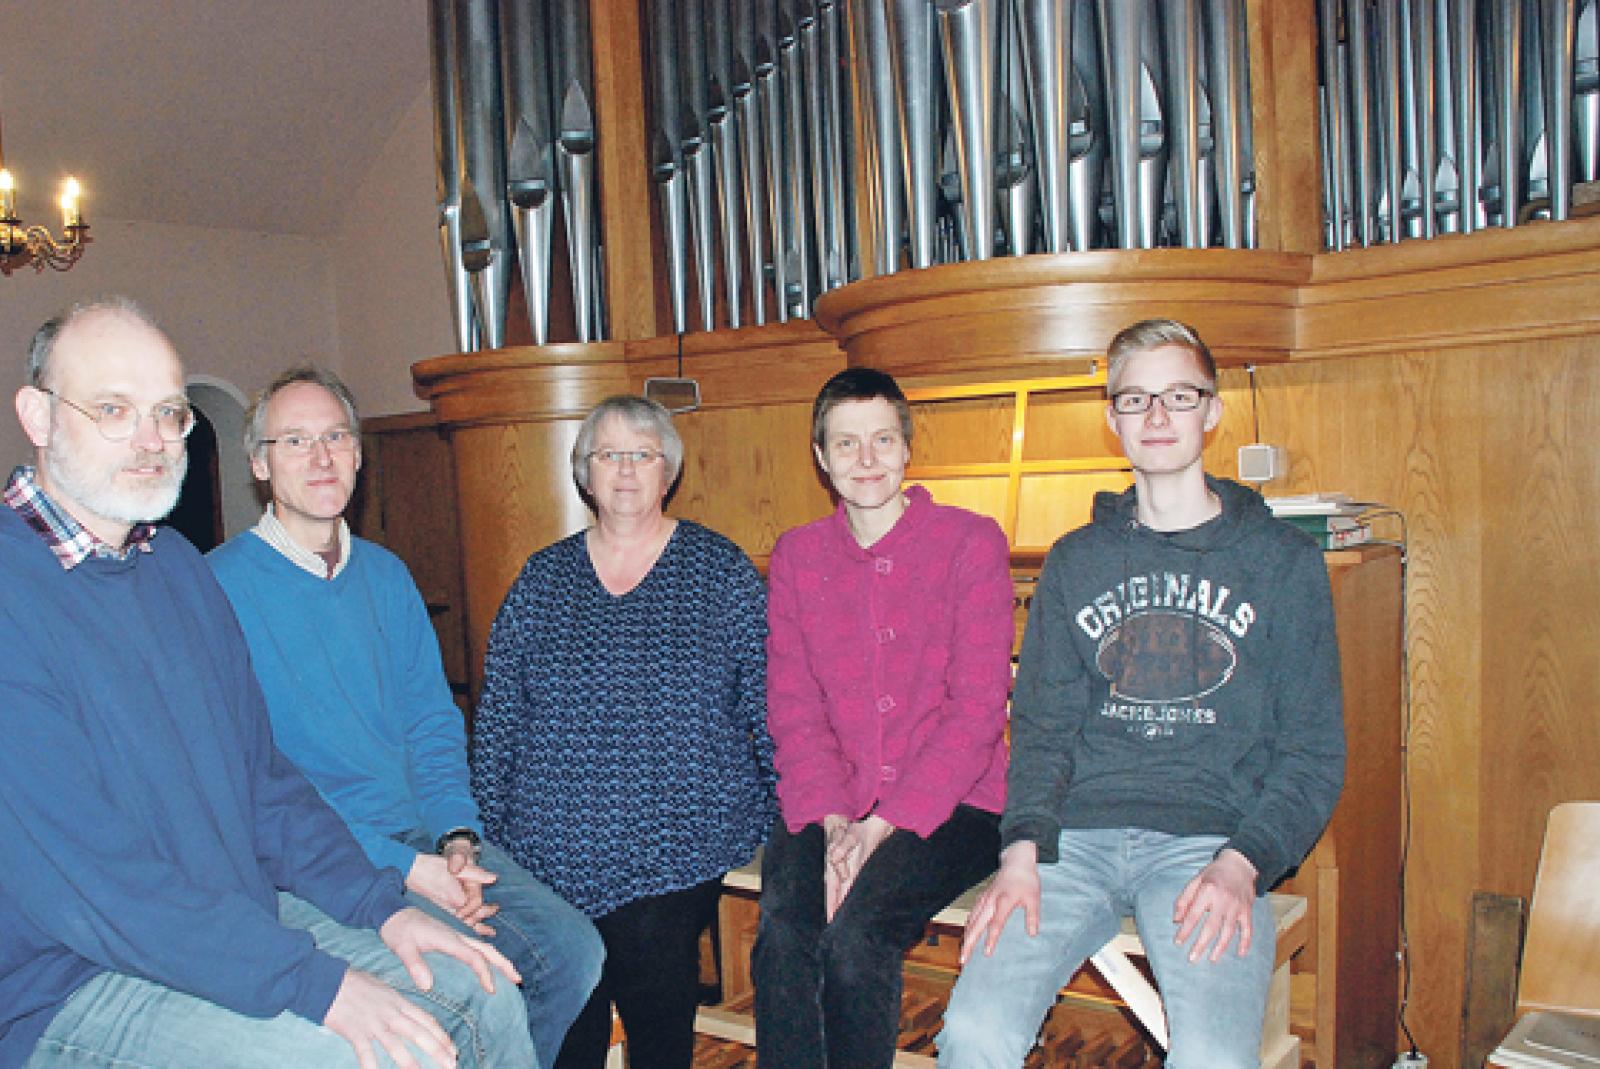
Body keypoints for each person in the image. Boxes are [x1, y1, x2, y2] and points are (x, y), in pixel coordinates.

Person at [0, 298, 531, 1069]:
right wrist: (315, 984)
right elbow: (97, 883)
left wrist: (381, 905)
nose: (151, 440)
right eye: (113, 409)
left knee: (481, 988)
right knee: (352, 1054)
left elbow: (263, 785)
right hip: (73, 977)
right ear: (39, 416)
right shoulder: (13, 592)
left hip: (225, 919)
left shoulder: (176, 568)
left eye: (169, 412)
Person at [937, 318, 1347, 1068]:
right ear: (1113, 418)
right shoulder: (1075, 560)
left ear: (1212, 411)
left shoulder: (1283, 562)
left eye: (1179, 395)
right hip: (1072, 841)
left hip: (1209, 844)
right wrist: (1020, 851)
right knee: (974, 1034)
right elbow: (1043, 727)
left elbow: (1312, 753)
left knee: (1215, 1059)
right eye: (1136, 399)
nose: (1157, 415)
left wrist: (1245, 862)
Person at [208, 365, 605, 1068]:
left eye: (336, 436)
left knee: (573, 953)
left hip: (422, 836)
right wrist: (408, 869)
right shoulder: (216, 589)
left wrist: (457, 837)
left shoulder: (387, 574)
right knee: (475, 986)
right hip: (317, 861)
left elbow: (431, 722)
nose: (321, 456)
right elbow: (247, 789)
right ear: (260, 464)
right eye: (295, 441)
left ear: (359, 454)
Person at [471, 395, 776, 1069]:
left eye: (644, 453)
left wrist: (788, 817)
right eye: (610, 454)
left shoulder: (719, 571)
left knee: (651, 965)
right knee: (568, 1003)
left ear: (670, 470)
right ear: (585, 472)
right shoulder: (542, 578)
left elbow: (770, 704)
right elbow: (498, 720)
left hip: (680, 836)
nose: (627, 469)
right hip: (545, 845)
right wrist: (483, 837)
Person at [752, 367, 1015, 1069]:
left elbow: (977, 710)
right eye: (846, 443)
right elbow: (794, 706)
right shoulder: (798, 554)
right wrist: (834, 816)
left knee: (858, 936)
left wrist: (883, 824)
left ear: (907, 448)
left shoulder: (970, 540)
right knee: (784, 931)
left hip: (958, 802)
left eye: (882, 440)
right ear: (820, 456)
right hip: (831, 793)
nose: (866, 459)